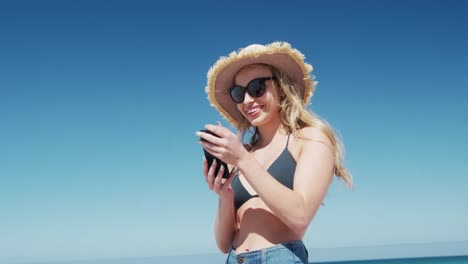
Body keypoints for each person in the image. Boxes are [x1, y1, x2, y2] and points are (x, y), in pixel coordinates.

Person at [196, 42, 353, 264]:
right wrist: (225, 196)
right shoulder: (244, 153)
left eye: (257, 87)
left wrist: (242, 159)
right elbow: (223, 244)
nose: (248, 100)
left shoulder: (309, 138)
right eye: (239, 93)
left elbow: (300, 216)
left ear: (281, 87)